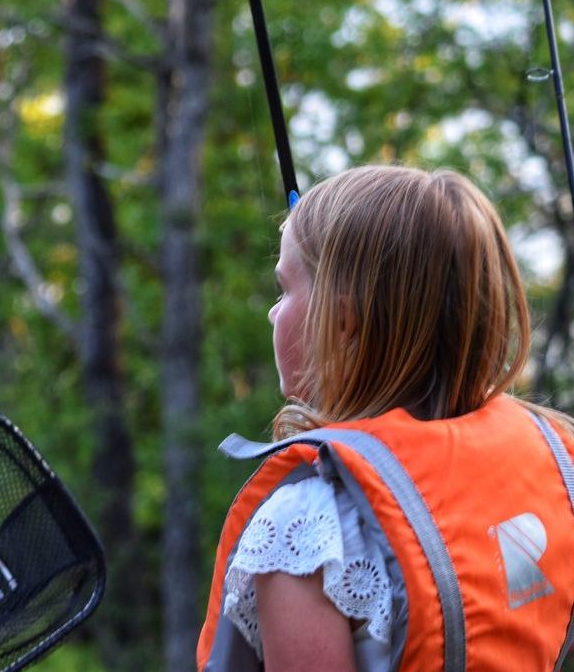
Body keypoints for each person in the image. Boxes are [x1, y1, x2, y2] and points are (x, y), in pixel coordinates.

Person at [197, 165, 574, 671]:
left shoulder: (309, 529)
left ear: (345, 322)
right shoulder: (553, 456)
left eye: (284, 290)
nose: (272, 312)